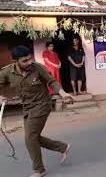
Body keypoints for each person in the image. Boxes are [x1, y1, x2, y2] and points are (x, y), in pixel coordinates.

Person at [0, 46, 73, 177]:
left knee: (30, 138)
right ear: (15, 61)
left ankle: (39, 170)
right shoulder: (7, 72)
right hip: (27, 107)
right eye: (25, 60)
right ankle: (62, 147)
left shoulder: (37, 67)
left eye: (30, 58)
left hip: (42, 105)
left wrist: (63, 93)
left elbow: (52, 81)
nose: (29, 62)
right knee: (33, 138)